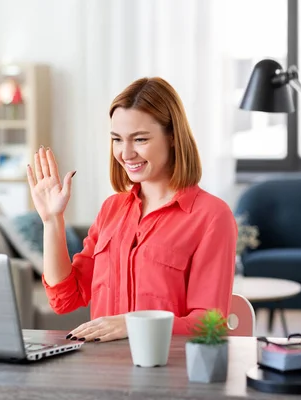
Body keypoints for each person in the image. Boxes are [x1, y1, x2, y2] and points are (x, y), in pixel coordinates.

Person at [25, 77, 237, 343]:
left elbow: (210, 325)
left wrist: (133, 325)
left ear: (172, 137)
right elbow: (65, 299)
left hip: (168, 372)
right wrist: (52, 220)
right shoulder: (112, 209)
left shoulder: (211, 216)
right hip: (103, 367)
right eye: (117, 139)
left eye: (139, 139)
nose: (125, 153)